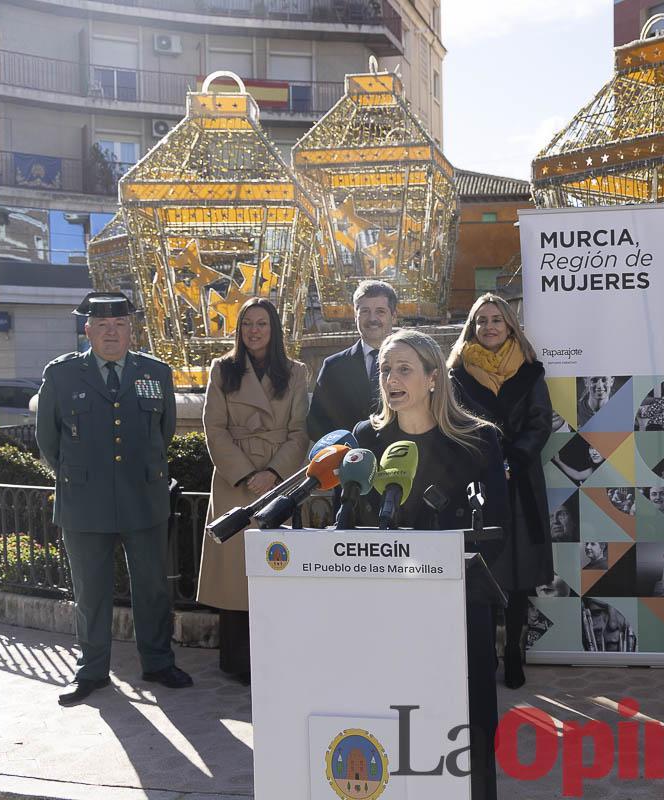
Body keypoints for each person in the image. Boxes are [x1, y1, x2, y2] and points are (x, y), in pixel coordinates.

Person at [352, 329, 508, 799]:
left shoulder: (477, 442)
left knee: (467, 721)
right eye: (385, 370)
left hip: (456, 606)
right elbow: (350, 518)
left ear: (433, 378)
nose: (392, 379)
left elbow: (496, 530)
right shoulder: (367, 438)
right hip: (386, 610)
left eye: (404, 369)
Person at [36, 292, 192, 706]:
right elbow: (48, 441)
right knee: (90, 592)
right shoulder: (62, 375)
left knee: (153, 588)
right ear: (87, 330)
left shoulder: (155, 373)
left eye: (119, 324)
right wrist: (81, 475)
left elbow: (166, 430)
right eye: (102, 325)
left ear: (130, 329)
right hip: (84, 502)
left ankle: (158, 662)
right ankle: (91, 670)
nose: (111, 331)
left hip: (144, 497)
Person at [199, 298, 309, 685]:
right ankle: (237, 660)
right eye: (247, 323)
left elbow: (300, 431)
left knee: (277, 566)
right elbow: (214, 428)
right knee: (235, 575)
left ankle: (278, 655)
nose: (254, 330)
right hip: (236, 482)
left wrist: (275, 472)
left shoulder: (296, 372)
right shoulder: (222, 369)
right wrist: (247, 474)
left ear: (273, 329)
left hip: (279, 481)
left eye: (261, 323)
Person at [448, 292, 554, 690]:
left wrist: (513, 460)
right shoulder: (455, 374)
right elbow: (452, 423)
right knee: (482, 569)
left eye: (496, 319)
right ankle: (484, 653)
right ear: (472, 328)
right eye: (481, 320)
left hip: (520, 481)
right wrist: (486, 462)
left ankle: (514, 651)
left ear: (509, 325)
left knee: (518, 573)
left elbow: (540, 424)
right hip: (474, 483)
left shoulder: (529, 372)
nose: (489, 326)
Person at [306, 280, 397, 442]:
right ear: (355, 316)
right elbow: (316, 425)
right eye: (365, 311)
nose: (372, 318)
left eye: (380, 311)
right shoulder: (333, 367)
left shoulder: (413, 363)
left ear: (394, 316)